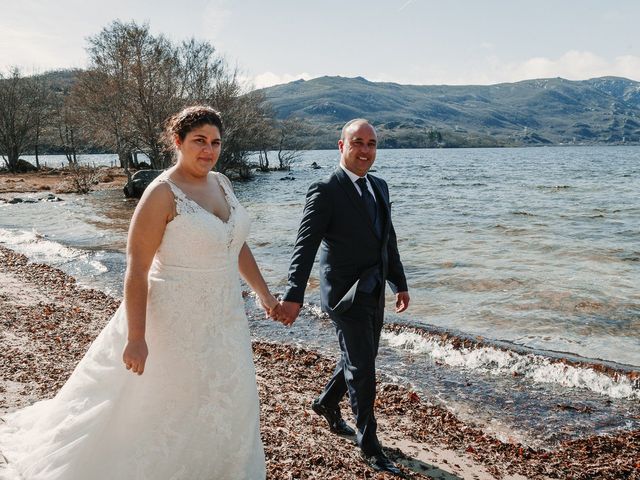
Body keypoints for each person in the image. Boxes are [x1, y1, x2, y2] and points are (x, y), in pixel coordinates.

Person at [0, 106, 278, 480]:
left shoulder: (223, 183)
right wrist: (135, 338)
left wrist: (263, 293)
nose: (208, 150)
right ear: (177, 143)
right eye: (199, 141)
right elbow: (136, 270)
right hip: (172, 319)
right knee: (164, 404)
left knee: (226, 398)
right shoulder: (162, 194)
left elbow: (235, 244)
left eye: (215, 143)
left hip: (225, 318)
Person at [278, 119, 410, 476]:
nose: (365, 150)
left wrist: (399, 282)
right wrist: (293, 294)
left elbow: (388, 239)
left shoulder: (379, 186)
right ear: (341, 146)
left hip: (374, 290)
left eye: (371, 144)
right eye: (358, 143)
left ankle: (326, 403)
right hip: (343, 296)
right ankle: (369, 444)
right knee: (363, 368)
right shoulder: (326, 189)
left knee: (360, 358)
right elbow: (304, 246)